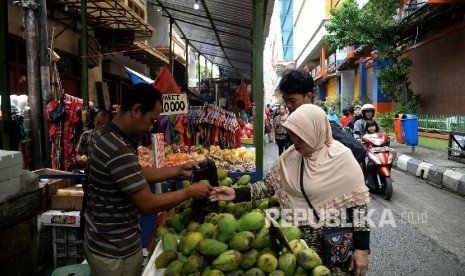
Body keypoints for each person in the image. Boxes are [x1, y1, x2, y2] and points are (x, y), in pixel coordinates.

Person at [210, 104, 370, 276]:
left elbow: (359, 206)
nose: (295, 142)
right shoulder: (291, 157)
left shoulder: (341, 157)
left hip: (336, 242)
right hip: (300, 244)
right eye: (293, 136)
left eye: (302, 137)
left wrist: (362, 249)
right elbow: (269, 185)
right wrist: (235, 193)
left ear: (316, 132)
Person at [83, 83, 212, 276]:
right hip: (115, 253)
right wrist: (189, 191)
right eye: (151, 120)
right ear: (136, 110)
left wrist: (177, 170)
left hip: (102, 241)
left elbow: (135, 174)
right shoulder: (118, 149)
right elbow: (147, 204)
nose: (151, 127)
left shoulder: (106, 135)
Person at [278, 69, 366, 163]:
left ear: (308, 97)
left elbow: (359, 151)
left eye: (292, 100)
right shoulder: (293, 125)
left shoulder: (325, 127)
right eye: (285, 100)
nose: (288, 105)